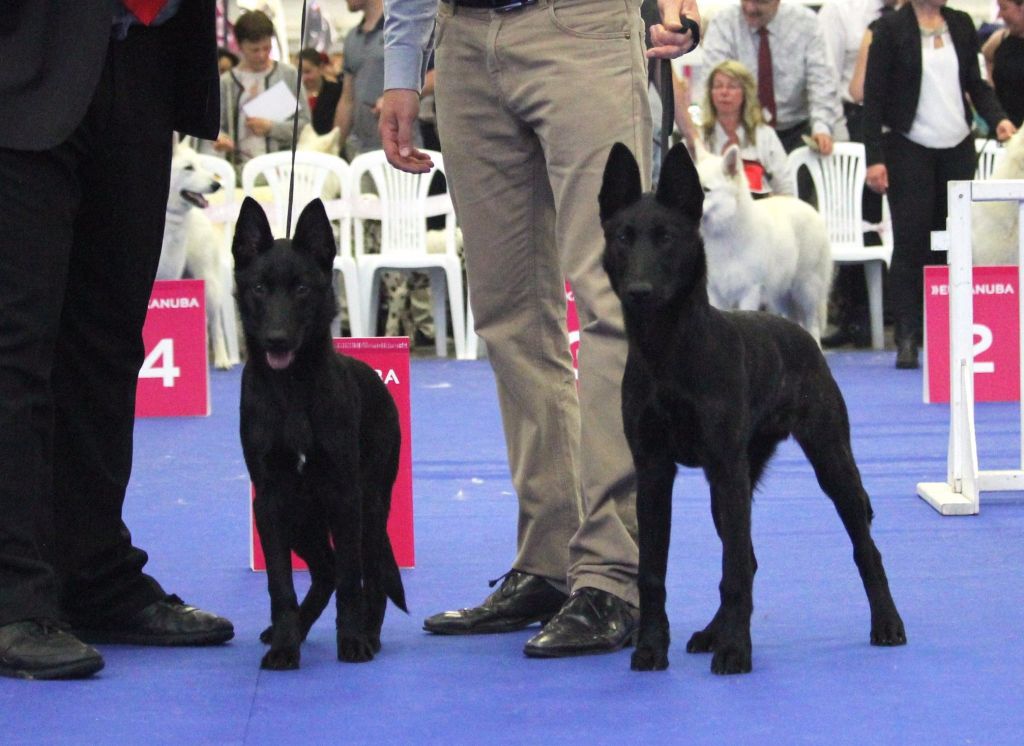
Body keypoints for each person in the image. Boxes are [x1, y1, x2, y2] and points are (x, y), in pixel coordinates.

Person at [378, 0, 699, 658]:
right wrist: (403, 64)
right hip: (463, 40)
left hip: (581, 25)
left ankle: (613, 574)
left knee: (615, 301)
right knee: (507, 314)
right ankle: (550, 558)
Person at [0, 0, 234, 681]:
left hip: (142, 57)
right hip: (22, 61)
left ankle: (95, 573)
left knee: (108, 343)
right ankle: (13, 593)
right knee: (15, 349)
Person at [863, 0, 1017, 369]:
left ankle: (953, 332)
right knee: (911, 241)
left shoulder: (961, 24)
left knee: (954, 242)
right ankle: (907, 336)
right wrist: (874, 157)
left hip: (957, 146)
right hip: (907, 146)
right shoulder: (887, 30)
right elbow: (873, 100)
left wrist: (998, 120)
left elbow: (976, 84)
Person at [817, 0, 900, 350]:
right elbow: (829, 77)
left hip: (904, 128)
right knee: (856, 223)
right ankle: (853, 317)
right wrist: (838, 138)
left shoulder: (913, 13)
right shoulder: (838, 11)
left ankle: (894, 314)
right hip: (854, 126)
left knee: (896, 224)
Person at [701, 0, 844, 155]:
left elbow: (821, 81)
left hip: (797, 130)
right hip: (741, 130)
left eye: (760, 3)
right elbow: (714, 81)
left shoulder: (806, 24)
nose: (750, 8)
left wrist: (821, 127)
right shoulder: (723, 24)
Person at [199, 10, 310, 174]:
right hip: (238, 173)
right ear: (240, 46)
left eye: (267, 48)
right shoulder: (226, 83)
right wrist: (221, 138)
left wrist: (271, 128)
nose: (262, 55)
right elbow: (213, 127)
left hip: (283, 172)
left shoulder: (289, 75)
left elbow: (305, 125)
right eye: (255, 50)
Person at [678, 59, 794, 196]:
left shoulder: (765, 135)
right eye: (718, 86)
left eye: (732, 86)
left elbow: (785, 187)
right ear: (710, 93)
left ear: (745, 93)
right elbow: (680, 183)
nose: (724, 92)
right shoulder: (697, 137)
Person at [982, 0, 1024, 128]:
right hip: (1004, 127)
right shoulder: (999, 39)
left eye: (1004, 8)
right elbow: (984, 60)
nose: (999, 15)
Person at [298, 48, 344, 135]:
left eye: (307, 72)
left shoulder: (336, 92)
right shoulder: (292, 94)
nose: (303, 78)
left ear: (320, 68)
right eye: (299, 72)